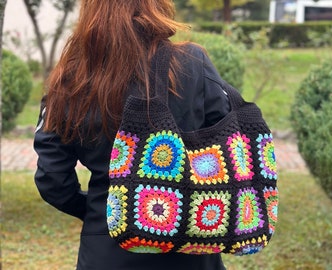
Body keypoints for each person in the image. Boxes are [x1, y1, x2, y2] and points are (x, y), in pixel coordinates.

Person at [34, 0, 231, 269]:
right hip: (191, 245)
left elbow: (52, 178)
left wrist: (102, 211)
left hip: (106, 249)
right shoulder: (192, 63)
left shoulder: (72, 77)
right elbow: (228, 142)